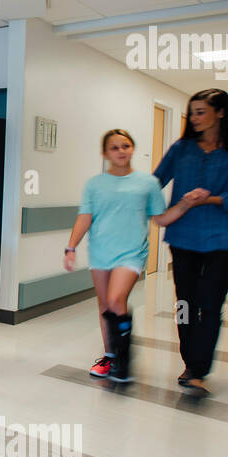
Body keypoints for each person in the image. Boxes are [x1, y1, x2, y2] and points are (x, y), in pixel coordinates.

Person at [63, 129, 199, 383]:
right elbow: (85, 217)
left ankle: (123, 358)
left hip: (132, 252)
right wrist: (71, 247)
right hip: (101, 252)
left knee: (116, 299)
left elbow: (160, 218)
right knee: (105, 306)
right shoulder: (95, 184)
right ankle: (109, 356)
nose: (121, 151)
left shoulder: (147, 183)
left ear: (133, 148)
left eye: (125, 146)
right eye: (114, 148)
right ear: (105, 153)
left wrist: (185, 204)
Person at [153, 88, 228, 396]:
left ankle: (199, 369)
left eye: (201, 112)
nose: (195, 118)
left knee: (210, 305)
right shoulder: (181, 149)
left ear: (221, 112)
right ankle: (190, 364)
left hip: (223, 240)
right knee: (185, 303)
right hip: (183, 237)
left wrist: (210, 199)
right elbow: (155, 182)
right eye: (193, 112)